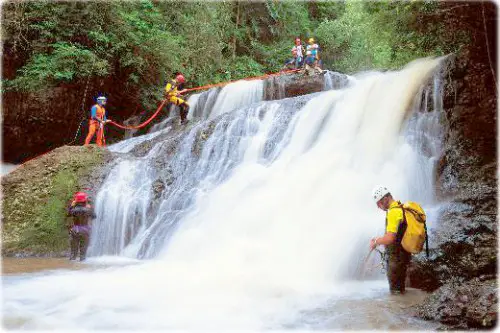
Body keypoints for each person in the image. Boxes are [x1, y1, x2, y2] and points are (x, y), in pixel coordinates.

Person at [369, 186, 411, 295]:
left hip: (396, 259)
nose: (378, 207)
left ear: (385, 198)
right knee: (400, 290)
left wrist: (376, 242)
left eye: (378, 203)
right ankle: (404, 309)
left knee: (396, 293)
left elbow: (390, 238)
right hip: (403, 255)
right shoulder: (400, 207)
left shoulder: (393, 212)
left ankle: (398, 311)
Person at [67, 191, 96, 261]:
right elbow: (94, 216)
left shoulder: (73, 210)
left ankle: (71, 267)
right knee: (83, 254)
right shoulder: (88, 210)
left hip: (75, 230)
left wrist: (71, 206)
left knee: (73, 253)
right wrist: (90, 208)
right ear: (85, 201)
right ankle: (81, 266)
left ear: (76, 201)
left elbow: (68, 214)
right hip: (85, 231)